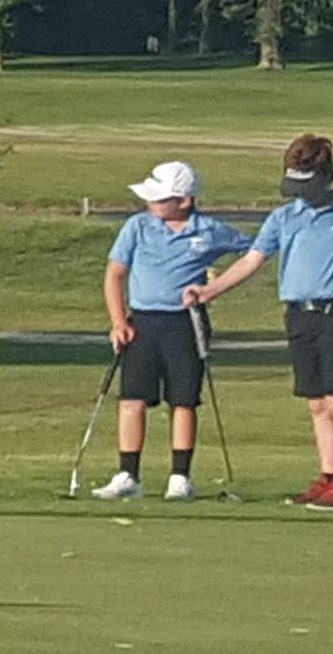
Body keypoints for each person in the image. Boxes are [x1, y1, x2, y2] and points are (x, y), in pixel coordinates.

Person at [196, 133, 333, 508]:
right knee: (316, 402)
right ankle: (327, 473)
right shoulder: (284, 217)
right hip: (298, 315)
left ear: (325, 176)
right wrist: (210, 291)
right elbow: (252, 260)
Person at [95, 160, 244, 500]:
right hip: (141, 322)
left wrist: (216, 280)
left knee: (183, 400)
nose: (152, 204)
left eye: (160, 199)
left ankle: (180, 477)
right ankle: (128, 475)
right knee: (132, 399)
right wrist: (118, 322)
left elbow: (253, 251)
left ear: (185, 201)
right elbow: (115, 274)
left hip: (186, 322)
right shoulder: (138, 227)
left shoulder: (208, 230)